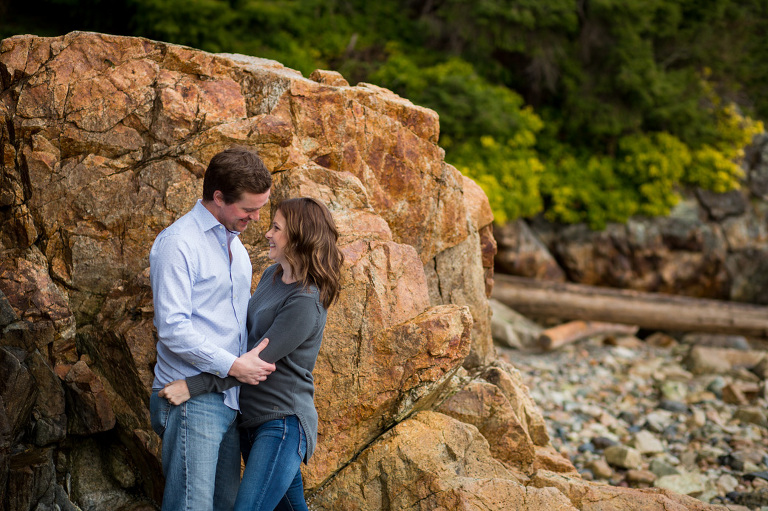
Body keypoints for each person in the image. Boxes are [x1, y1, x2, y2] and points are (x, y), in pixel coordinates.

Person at [159, 197, 344, 511]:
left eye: (276, 228)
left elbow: (254, 365)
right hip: (250, 421)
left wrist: (192, 386)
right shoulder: (272, 276)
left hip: (281, 423)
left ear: (299, 238)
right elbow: (242, 349)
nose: (268, 234)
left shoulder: (305, 301)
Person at [149, 147, 277, 511]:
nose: (255, 217)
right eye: (248, 209)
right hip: (190, 398)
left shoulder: (236, 247)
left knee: (225, 505)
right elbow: (172, 327)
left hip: (228, 398)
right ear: (218, 197)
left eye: (260, 208)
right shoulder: (178, 243)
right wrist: (234, 366)